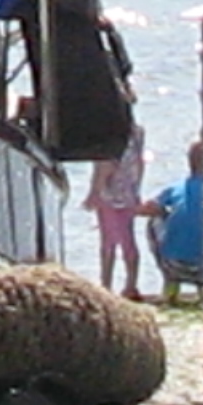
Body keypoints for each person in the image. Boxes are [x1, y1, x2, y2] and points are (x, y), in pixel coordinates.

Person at [85, 122, 148, 301]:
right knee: (128, 239)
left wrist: (94, 192)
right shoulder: (136, 132)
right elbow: (139, 162)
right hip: (128, 191)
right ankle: (131, 284)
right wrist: (136, 189)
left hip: (110, 193)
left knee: (108, 243)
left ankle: (106, 284)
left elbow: (105, 165)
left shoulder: (108, 133)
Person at [150, 139, 203, 304]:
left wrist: (166, 213)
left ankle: (170, 286)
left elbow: (146, 208)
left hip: (174, 265)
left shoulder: (176, 189)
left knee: (153, 221)